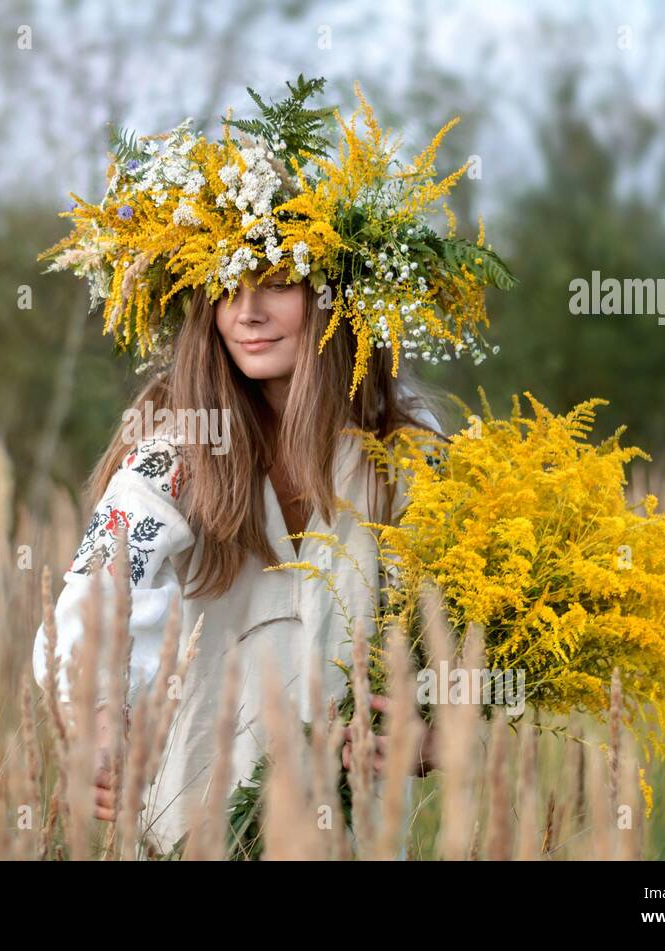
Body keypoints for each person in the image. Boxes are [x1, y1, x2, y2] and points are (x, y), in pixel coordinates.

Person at [32, 268, 446, 856]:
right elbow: (98, 587)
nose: (247, 312)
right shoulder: (175, 448)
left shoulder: (407, 449)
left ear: (337, 294)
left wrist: (431, 740)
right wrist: (100, 729)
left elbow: (453, 628)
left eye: (278, 283)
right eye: (225, 288)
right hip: (196, 825)